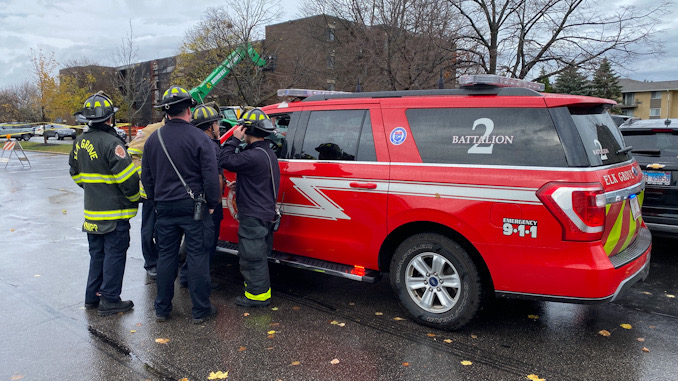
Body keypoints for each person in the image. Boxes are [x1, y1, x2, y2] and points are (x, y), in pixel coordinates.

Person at [141, 86, 220, 324]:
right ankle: (200, 310)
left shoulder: (154, 139)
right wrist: (212, 203)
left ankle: (162, 309)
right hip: (195, 208)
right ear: (189, 110)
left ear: (166, 112)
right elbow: (210, 176)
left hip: (164, 208)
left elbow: (146, 177)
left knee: (166, 257)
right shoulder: (199, 138)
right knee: (196, 256)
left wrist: (156, 200)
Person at [69, 91, 140, 316]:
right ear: (110, 118)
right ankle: (110, 300)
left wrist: (93, 189)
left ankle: (92, 298)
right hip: (114, 216)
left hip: (92, 215)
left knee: (97, 256)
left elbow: (75, 173)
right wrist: (133, 199)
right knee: (114, 256)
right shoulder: (113, 144)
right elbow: (128, 181)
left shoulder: (79, 142)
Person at [219, 108, 280, 307]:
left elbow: (224, 160)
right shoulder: (266, 152)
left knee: (252, 257)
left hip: (253, 215)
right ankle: (259, 293)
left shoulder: (254, 155)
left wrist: (234, 139)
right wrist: (242, 185)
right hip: (262, 211)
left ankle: (257, 297)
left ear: (248, 130)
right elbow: (258, 179)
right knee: (258, 254)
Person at [179, 105, 224, 290]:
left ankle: (186, 276)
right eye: (217, 123)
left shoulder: (189, 141)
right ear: (209, 126)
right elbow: (216, 178)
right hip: (208, 203)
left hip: (191, 200)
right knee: (207, 245)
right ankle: (200, 281)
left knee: (193, 243)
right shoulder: (210, 146)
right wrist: (216, 203)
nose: (219, 127)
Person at [127, 120, 164, 280]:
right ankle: (151, 263)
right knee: (149, 228)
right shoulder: (151, 131)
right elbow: (132, 153)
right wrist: (146, 174)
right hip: (152, 191)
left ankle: (165, 260)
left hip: (172, 192)